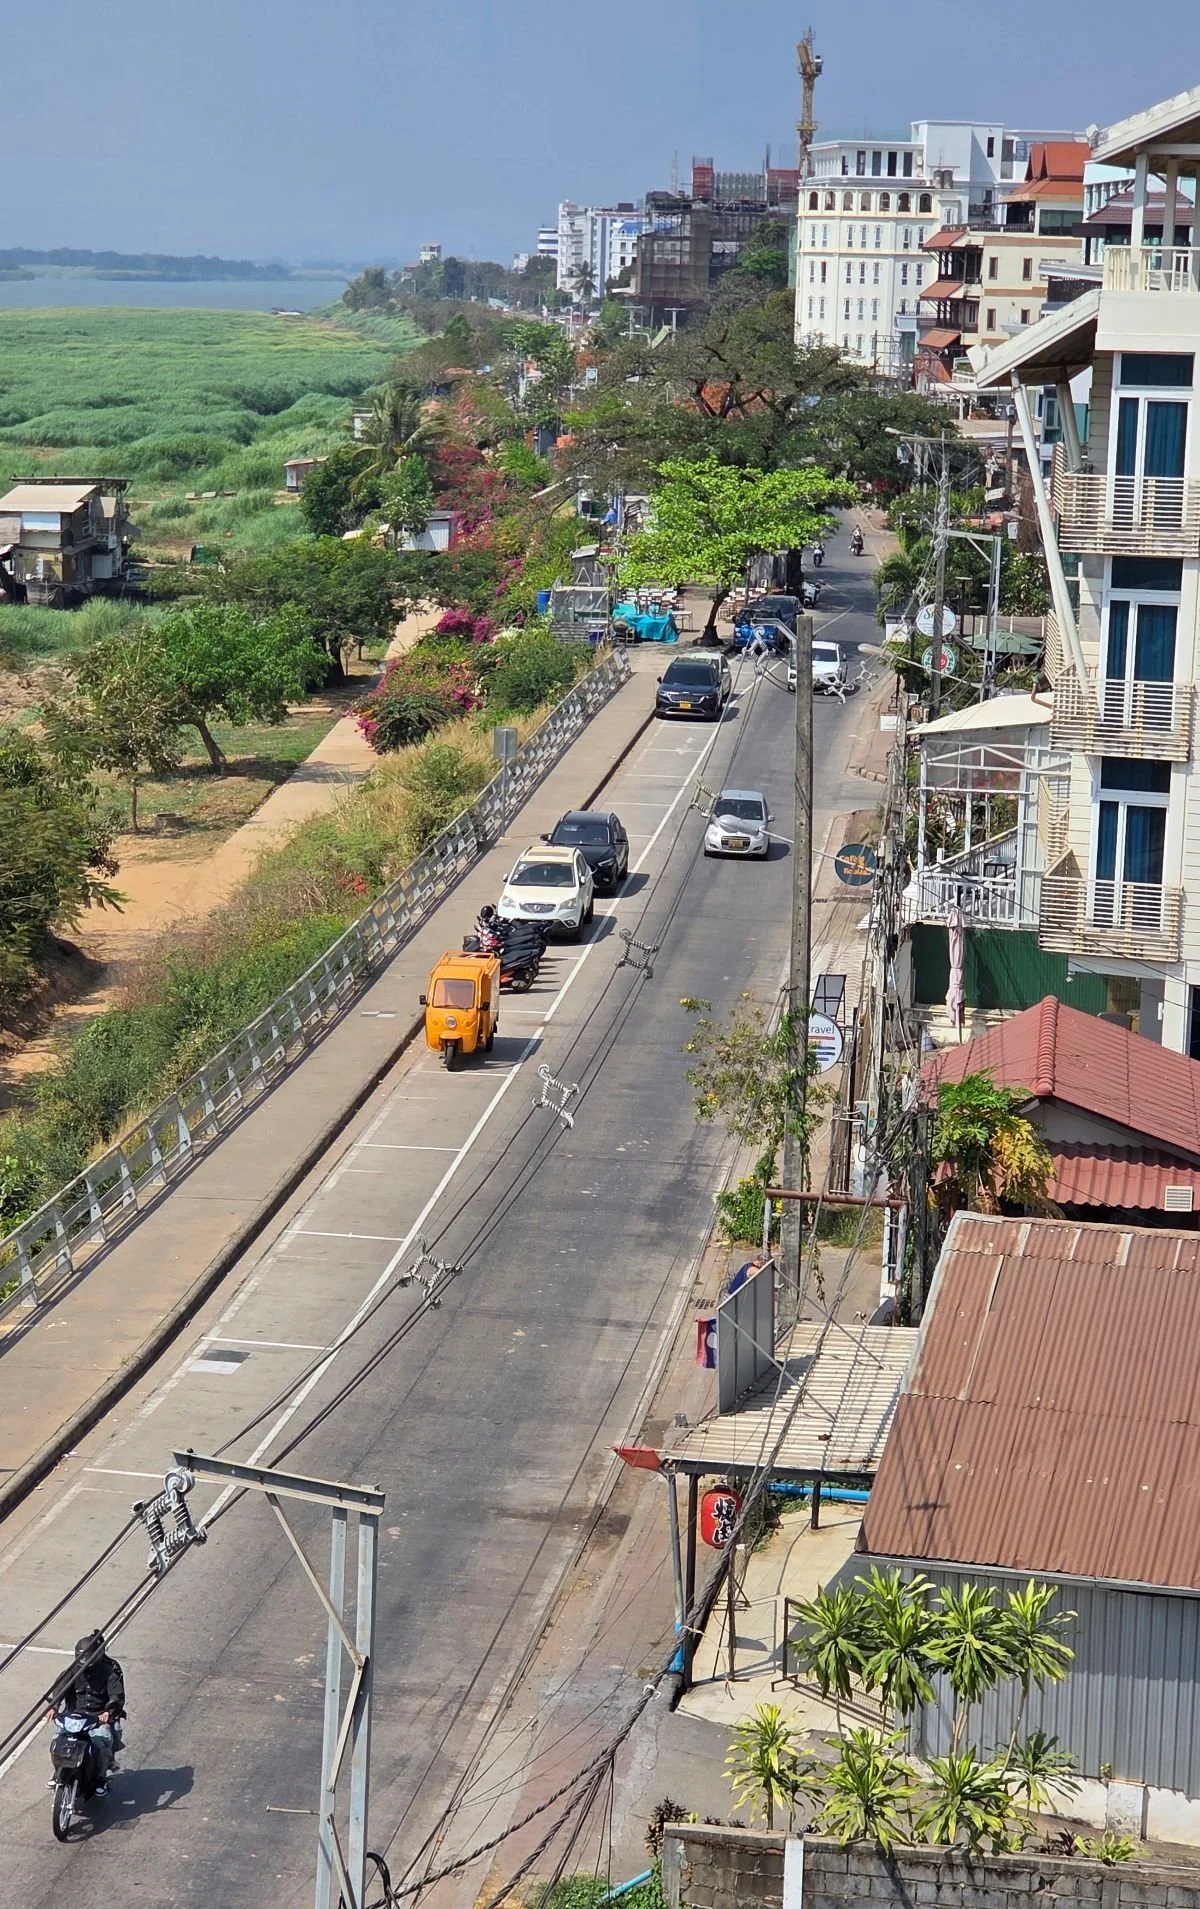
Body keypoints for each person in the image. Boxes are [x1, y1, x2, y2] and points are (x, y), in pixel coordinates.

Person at [53, 1632, 125, 1792]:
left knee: (102, 1742)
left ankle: (100, 1778)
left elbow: (117, 1695)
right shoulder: (71, 1672)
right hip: (73, 1717)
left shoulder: (109, 1673)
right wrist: (54, 1707)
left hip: (97, 1719)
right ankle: (58, 1772)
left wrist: (109, 1712)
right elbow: (59, 1689)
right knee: (57, 1738)